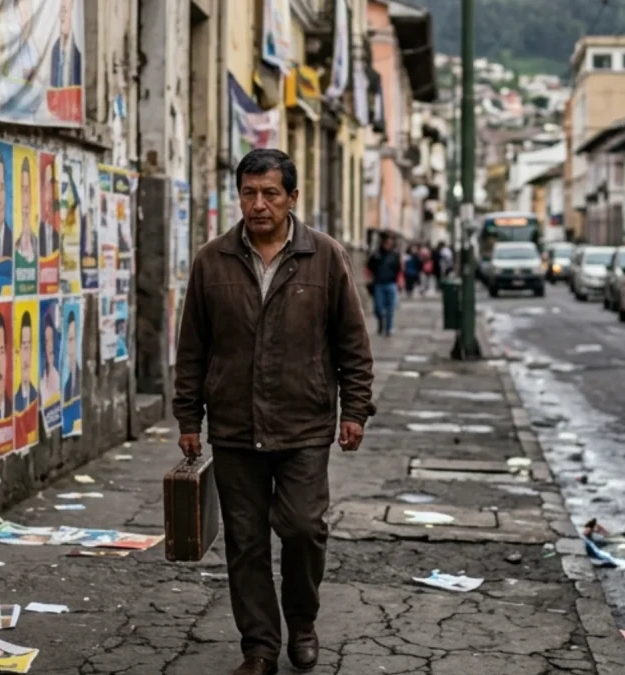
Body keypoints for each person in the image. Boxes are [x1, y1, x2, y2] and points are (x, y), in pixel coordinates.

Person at [173, 149, 375, 675]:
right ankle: (259, 647)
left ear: (292, 198)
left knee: (305, 528)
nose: (258, 204)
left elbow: (352, 341)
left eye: (270, 193)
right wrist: (188, 419)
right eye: (248, 193)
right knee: (245, 541)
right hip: (236, 425)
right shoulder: (212, 260)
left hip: (304, 422)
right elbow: (192, 346)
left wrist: (354, 409)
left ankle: (302, 622)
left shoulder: (326, 257)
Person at [366, 233, 402, 337]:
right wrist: (369, 279)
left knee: (390, 308)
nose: (388, 245)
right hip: (379, 284)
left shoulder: (395, 255)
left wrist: (399, 282)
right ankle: (381, 320)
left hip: (391, 284)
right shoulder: (376, 255)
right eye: (387, 243)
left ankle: (388, 328)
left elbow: (399, 270)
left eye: (390, 243)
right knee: (378, 308)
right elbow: (368, 267)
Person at [49, 0, 81, 87]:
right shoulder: (55, 50)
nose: (62, 17)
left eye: (65, 11)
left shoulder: (78, 54)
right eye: (61, 12)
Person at [14, 311, 37, 413]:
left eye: (29, 345)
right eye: (24, 345)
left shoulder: (37, 397)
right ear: (19, 351)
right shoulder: (13, 403)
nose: (26, 352)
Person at [16, 159, 37, 264]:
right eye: (22, 190)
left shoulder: (37, 244)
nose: (25, 197)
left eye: (27, 191)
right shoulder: (15, 246)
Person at [39, 162, 60, 257]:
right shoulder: (38, 231)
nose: (49, 193)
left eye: (51, 187)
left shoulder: (56, 233)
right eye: (46, 187)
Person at [41, 313, 60, 402]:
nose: (50, 346)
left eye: (51, 339)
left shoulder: (56, 375)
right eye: (47, 341)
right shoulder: (40, 379)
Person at [63, 311, 79, 400]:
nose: (70, 346)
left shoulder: (82, 377)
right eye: (69, 340)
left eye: (73, 339)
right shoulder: (65, 384)